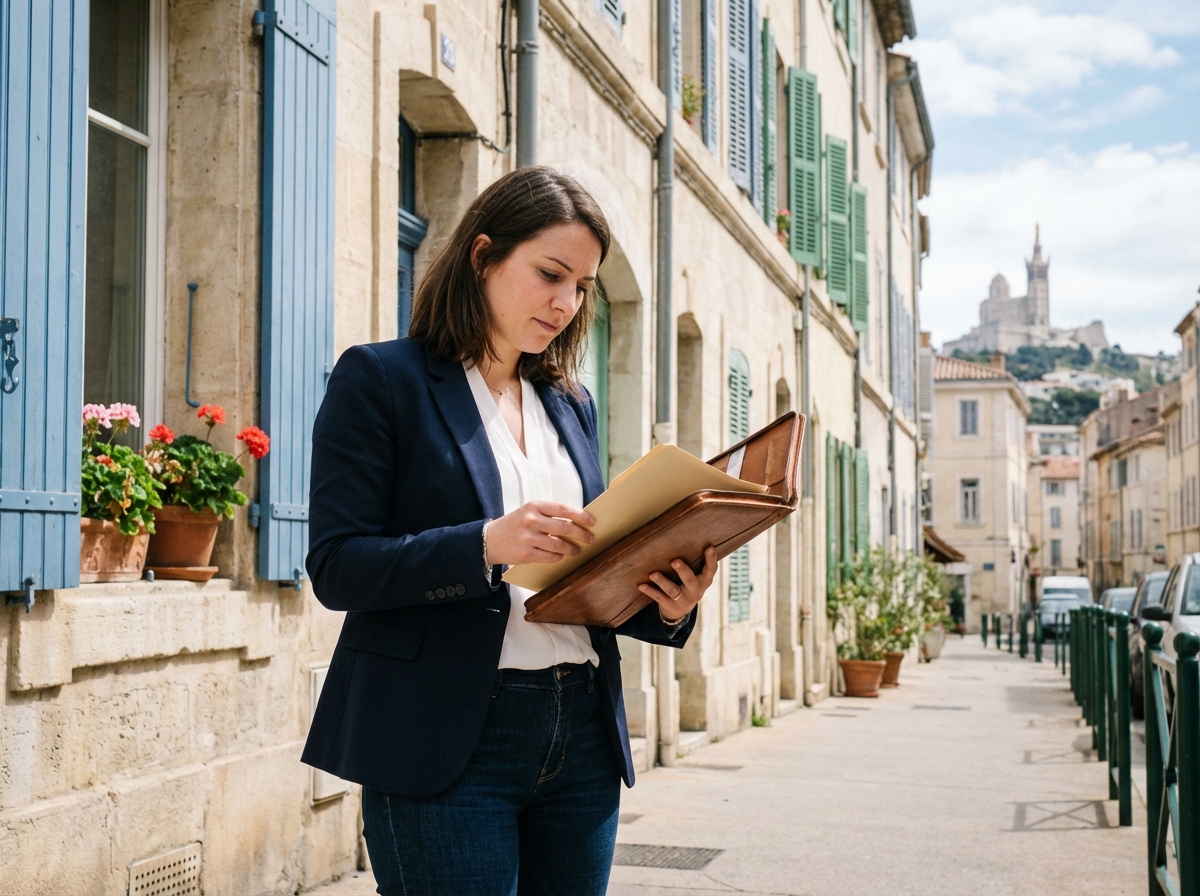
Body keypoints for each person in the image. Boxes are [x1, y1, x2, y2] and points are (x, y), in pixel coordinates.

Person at [301, 166, 718, 896]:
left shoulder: (570, 402)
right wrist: (484, 546)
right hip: (446, 737)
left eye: (583, 286)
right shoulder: (380, 380)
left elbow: (580, 574)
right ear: (483, 254)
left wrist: (667, 603)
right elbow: (338, 567)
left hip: (581, 735)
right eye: (551, 274)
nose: (566, 303)